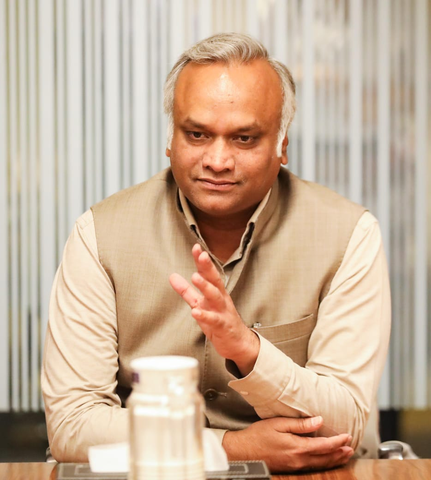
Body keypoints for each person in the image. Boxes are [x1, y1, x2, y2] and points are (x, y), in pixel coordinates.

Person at [42, 33, 391, 472]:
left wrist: (248, 349)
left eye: (244, 138)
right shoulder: (99, 235)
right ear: (171, 139)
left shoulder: (348, 235)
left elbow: (343, 424)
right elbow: (73, 425)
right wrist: (231, 448)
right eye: (197, 134)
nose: (218, 160)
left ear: (282, 145)